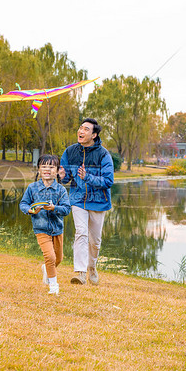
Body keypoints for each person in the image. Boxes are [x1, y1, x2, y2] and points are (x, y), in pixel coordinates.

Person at [59, 118, 114, 285]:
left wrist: (87, 177)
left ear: (94, 135)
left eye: (86, 129)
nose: (81, 131)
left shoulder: (104, 154)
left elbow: (108, 181)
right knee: (81, 233)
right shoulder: (69, 152)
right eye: (80, 128)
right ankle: (80, 272)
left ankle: (92, 267)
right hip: (77, 200)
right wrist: (61, 176)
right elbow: (66, 178)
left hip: (98, 202)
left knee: (95, 241)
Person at [19, 154, 71, 295]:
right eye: (44, 166)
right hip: (41, 229)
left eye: (51, 166)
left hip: (57, 229)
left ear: (58, 170)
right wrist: (30, 210)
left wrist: (54, 208)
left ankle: (46, 269)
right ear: (39, 170)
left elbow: (67, 209)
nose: (47, 169)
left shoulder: (61, 190)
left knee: (58, 259)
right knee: (50, 257)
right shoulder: (32, 188)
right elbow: (23, 204)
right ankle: (53, 287)